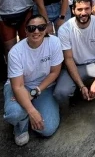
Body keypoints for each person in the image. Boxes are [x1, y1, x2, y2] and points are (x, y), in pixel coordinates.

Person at [4, 15, 63, 146]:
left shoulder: (54, 42)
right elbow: (18, 86)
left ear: (46, 28)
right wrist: (31, 110)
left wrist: (35, 92)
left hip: (44, 87)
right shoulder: (15, 52)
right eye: (32, 28)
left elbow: (54, 72)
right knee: (14, 113)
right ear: (25, 31)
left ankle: (36, 109)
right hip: (20, 85)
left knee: (48, 129)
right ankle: (21, 124)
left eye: (41, 27)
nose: (36, 31)